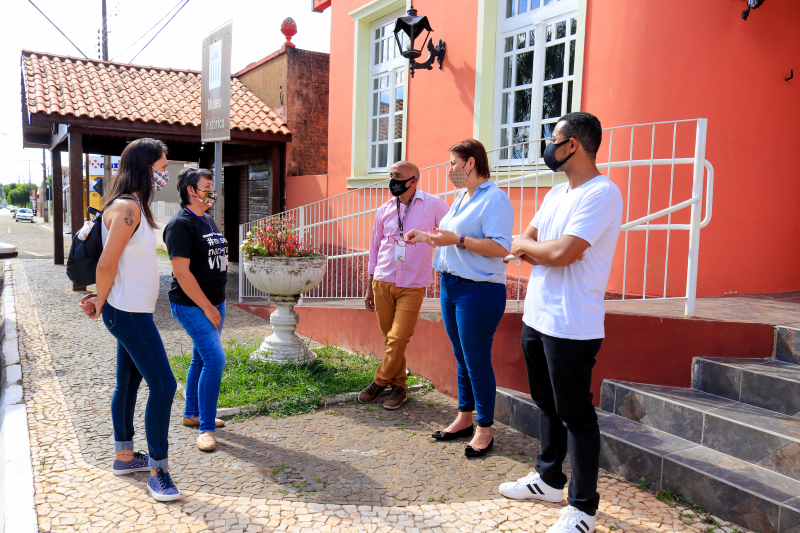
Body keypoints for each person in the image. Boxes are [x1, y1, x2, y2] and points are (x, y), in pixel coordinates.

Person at [498, 112, 622, 533]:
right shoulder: (556, 194)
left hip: (572, 323)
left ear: (575, 145)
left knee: (576, 413)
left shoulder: (602, 193)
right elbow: (523, 243)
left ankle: (583, 508)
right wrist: (539, 249)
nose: (549, 147)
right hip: (538, 314)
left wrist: (539, 249)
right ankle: (549, 479)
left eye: (554, 139)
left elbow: (564, 253)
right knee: (545, 402)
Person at [79, 138, 182, 502]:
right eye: (161, 167)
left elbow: (117, 265)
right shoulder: (128, 208)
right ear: (144, 167)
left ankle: (125, 455)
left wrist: (102, 300)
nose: (164, 174)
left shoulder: (133, 206)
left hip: (128, 310)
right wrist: (101, 302)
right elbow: (107, 263)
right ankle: (159, 470)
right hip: (128, 313)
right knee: (164, 385)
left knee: (128, 384)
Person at [406, 139, 513, 457]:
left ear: (470, 164)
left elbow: (500, 247)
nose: (449, 169)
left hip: (479, 290)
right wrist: (428, 237)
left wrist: (460, 239)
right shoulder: (461, 198)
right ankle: (464, 417)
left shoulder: (495, 199)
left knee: (476, 360)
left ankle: (484, 428)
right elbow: (451, 239)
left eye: (453, 163)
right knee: (462, 356)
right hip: (451, 286)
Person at [359, 161, 450, 410]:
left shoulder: (434, 204)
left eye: (397, 176)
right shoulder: (384, 210)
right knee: (390, 338)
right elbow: (374, 249)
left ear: (413, 180)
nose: (392, 180)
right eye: (391, 175)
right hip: (382, 280)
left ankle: (379, 381)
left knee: (398, 337)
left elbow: (451, 232)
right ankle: (399, 386)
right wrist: (369, 285)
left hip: (412, 284)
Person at [164, 167, 229, 452]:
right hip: (191, 306)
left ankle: (192, 413)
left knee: (201, 358)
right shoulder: (180, 224)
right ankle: (205, 427)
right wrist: (207, 308)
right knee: (215, 359)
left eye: (213, 187)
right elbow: (182, 273)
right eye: (207, 186)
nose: (212, 192)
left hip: (216, 300)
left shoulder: (208, 220)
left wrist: (216, 304)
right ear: (191, 190)